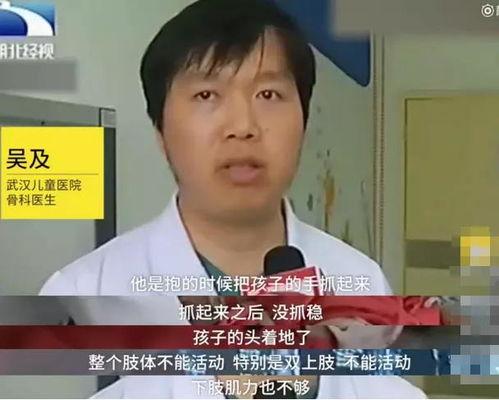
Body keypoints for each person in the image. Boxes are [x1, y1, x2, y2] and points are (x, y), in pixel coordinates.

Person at [40, 0, 426, 397]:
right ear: (161, 131)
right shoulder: (80, 294)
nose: (242, 126)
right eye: (207, 94)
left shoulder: (361, 281)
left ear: (304, 121)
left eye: (269, 94)